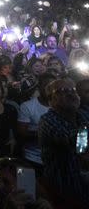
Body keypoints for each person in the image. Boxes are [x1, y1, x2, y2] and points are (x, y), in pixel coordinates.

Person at [38, 78, 89, 207]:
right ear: (51, 99)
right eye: (63, 91)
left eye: (73, 90)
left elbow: (82, 149)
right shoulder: (47, 120)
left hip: (82, 188)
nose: (71, 94)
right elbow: (71, 140)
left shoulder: (81, 116)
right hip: (61, 191)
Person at [17, 73, 55, 168]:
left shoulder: (61, 107)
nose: (50, 90)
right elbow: (22, 133)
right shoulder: (27, 106)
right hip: (33, 158)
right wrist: (44, 134)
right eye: (47, 86)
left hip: (55, 159)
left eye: (53, 86)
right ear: (39, 87)